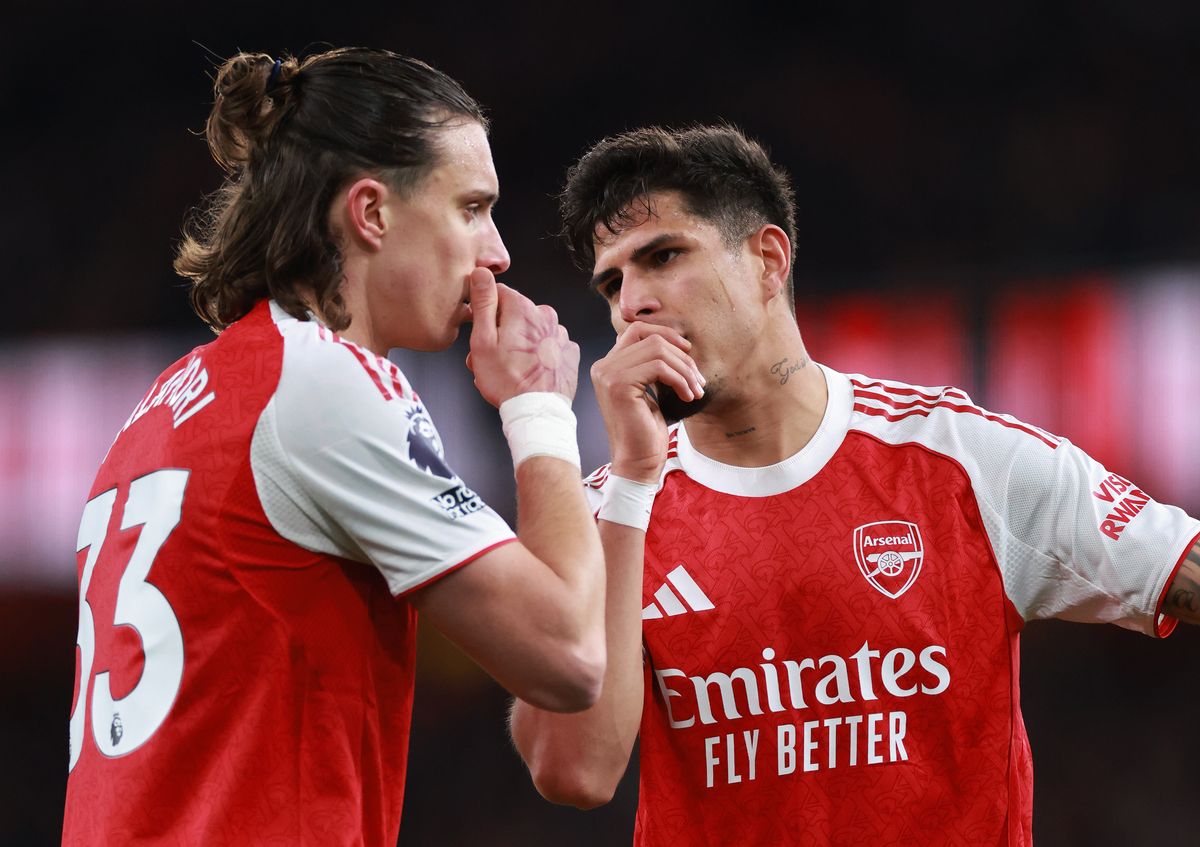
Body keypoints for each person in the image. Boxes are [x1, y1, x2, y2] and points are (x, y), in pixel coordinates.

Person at [509, 124, 1200, 845]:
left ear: (768, 260)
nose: (632, 304)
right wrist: (631, 484)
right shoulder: (608, 514)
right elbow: (574, 771)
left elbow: (1174, 561)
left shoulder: (958, 458)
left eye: (664, 255)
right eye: (614, 282)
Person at [62, 47, 607, 846]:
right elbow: (569, 654)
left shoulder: (160, 402)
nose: (498, 252)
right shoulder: (326, 383)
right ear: (372, 213)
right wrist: (538, 411)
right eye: (470, 208)